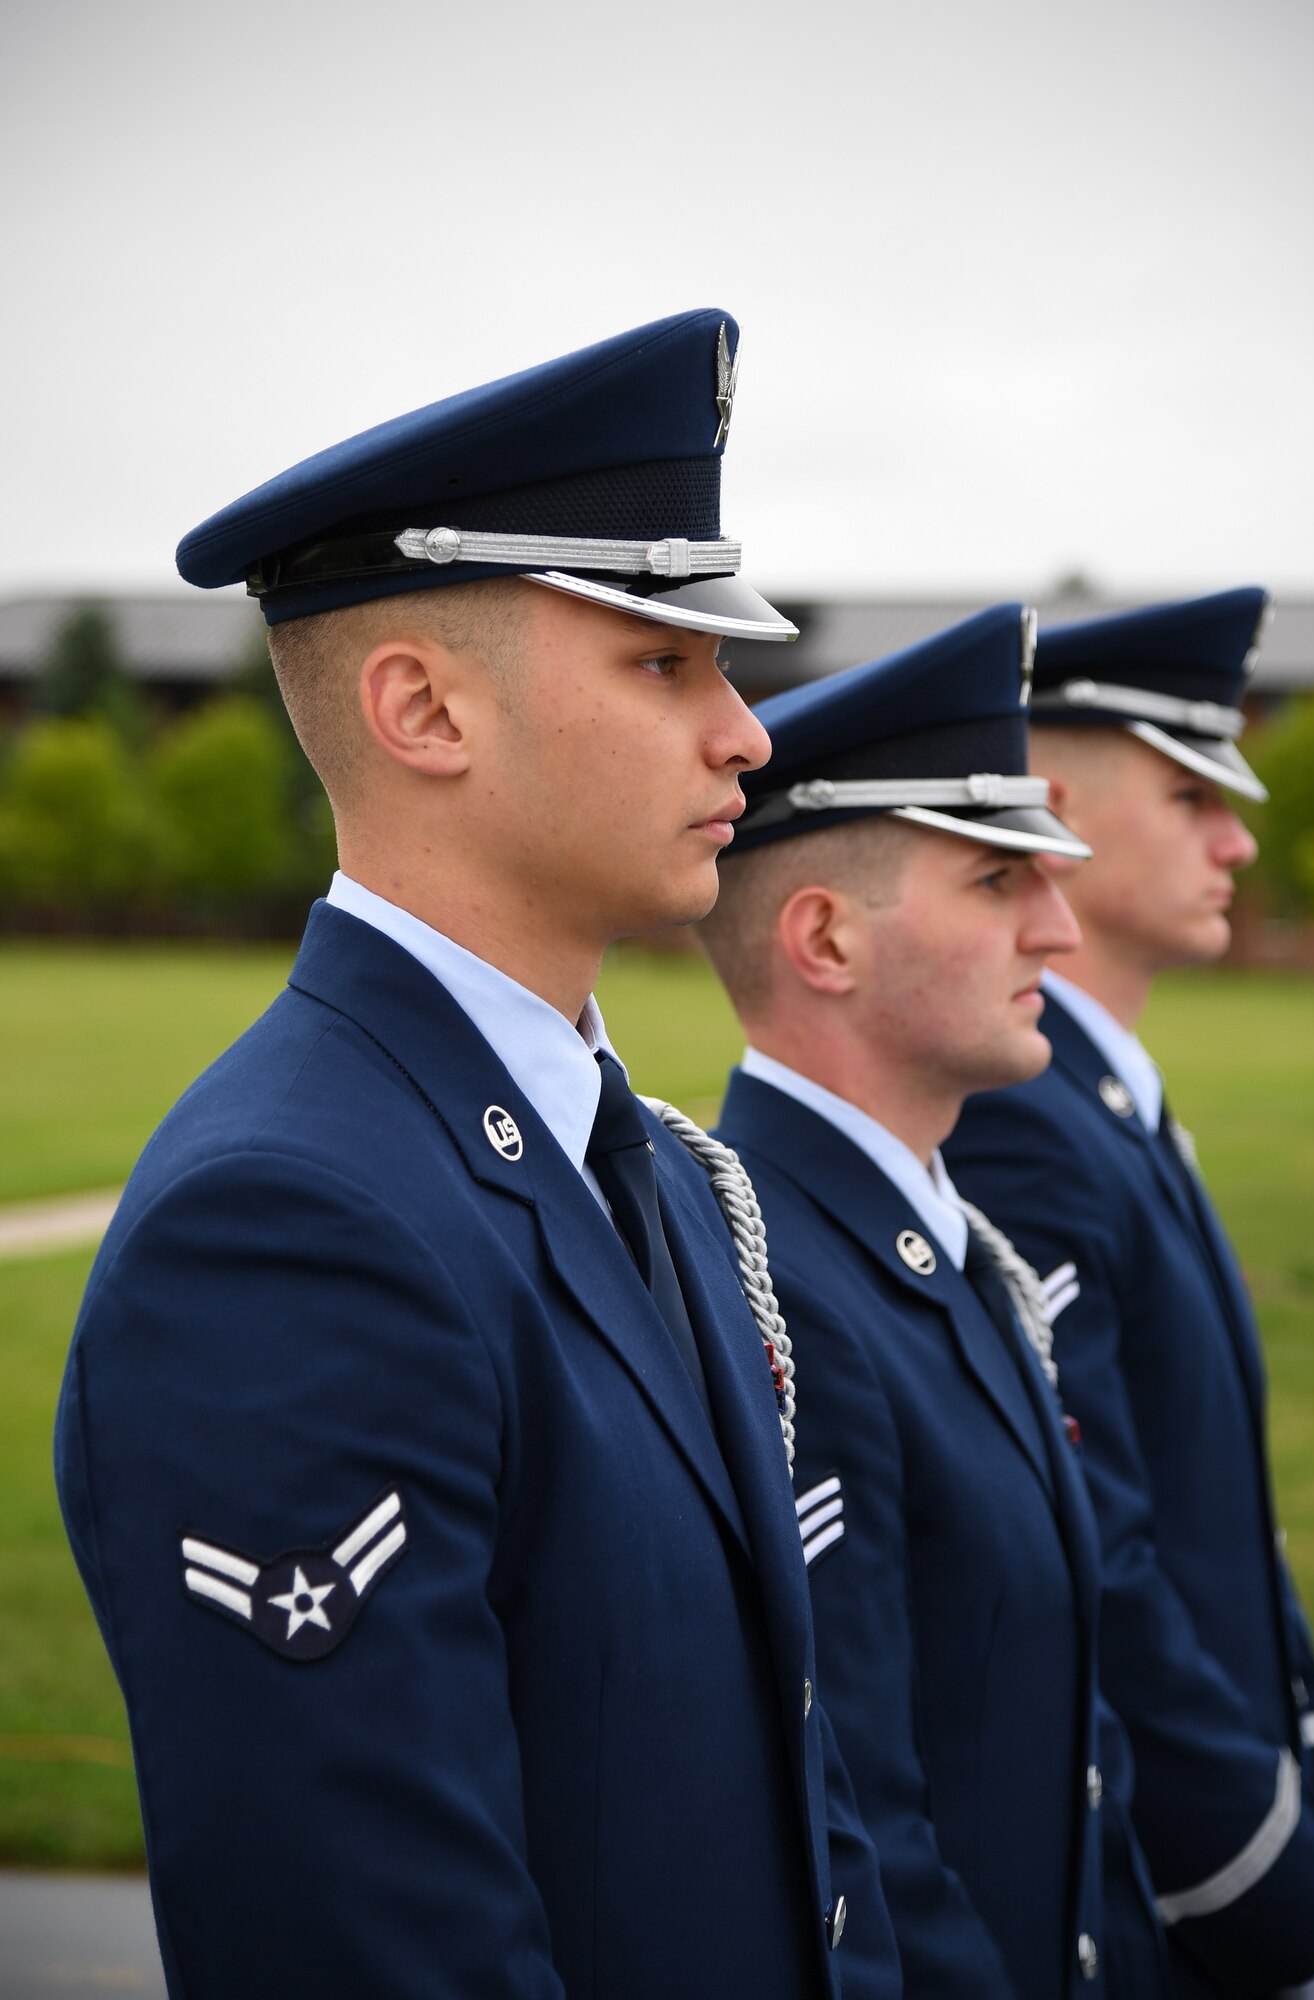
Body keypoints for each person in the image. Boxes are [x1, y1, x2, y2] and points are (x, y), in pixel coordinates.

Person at [53, 310, 900, 2000]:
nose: (747, 734)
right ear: (424, 708)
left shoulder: (636, 1157)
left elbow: (807, 1801)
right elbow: (375, 1947)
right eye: (666, 664)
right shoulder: (289, 1229)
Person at [698, 604, 1173, 1998]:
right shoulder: (786, 1275)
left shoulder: (935, 1241)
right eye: (992, 883)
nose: (1058, 926)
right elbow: (864, 1830)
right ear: (824, 940)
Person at [946, 591, 1314, 2000]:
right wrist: (1276, 1889)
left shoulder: (1103, 1104)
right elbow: (1105, 1557)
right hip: (1163, 1890)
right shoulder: (1024, 1120)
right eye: (1190, 790)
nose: (1239, 838)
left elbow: (1231, 1543)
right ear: (1059, 799)